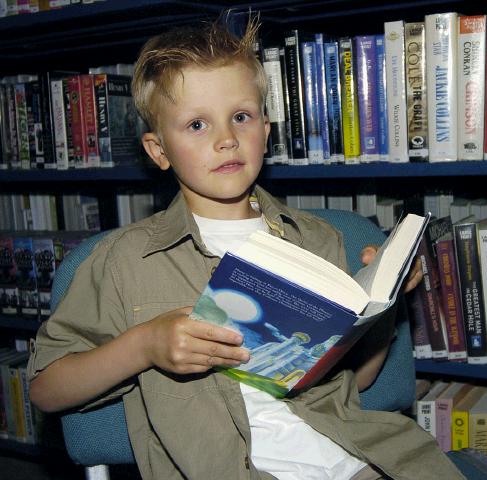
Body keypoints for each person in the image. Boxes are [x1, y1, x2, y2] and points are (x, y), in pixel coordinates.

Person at [28, 17, 464, 480]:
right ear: (158, 151)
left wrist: (382, 306)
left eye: (241, 116)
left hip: (357, 462)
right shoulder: (123, 263)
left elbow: (354, 385)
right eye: (197, 124)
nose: (226, 139)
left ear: (267, 129)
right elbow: (46, 390)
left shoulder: (318, 241)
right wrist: (143, 346)